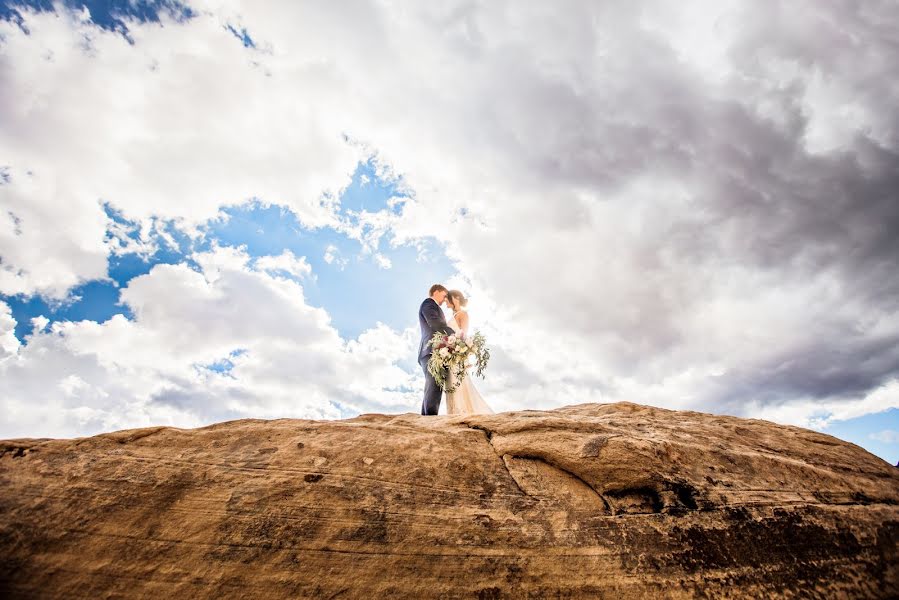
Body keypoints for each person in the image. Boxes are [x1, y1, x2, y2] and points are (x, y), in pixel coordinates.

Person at [445, 290, 494, 415]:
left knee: (459, 382)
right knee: (451, 383)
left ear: (455, 298)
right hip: (449, 355)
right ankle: (454, 413)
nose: (446, 301)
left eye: (447, 298)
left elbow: (463, 334)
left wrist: (455, 347)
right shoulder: (453, 316)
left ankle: (463, 412)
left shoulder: (463, 314)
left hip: (456, 354)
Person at [418, 284, 454, 415]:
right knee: (434, 386)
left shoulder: (434, 307)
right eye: (444, 296)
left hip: (435, 351)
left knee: (432, 387)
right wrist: (454, 334)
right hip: (431, 350)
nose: (445, 300)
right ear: (436, 291)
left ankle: (426, 420)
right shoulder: (429, 303)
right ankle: (430, 421)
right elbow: (434, 323)